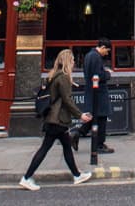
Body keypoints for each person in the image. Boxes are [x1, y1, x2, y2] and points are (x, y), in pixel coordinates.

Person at [18, 49, 93, 191]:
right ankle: (26, 178)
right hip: (57, 119)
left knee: (66, 146)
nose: (74, 62)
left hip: (54, 119)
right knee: (45, 149)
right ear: (67, 62)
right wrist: (80, 115)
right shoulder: (63, 77)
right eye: (72, 60)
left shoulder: (54, 75)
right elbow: (67, 100)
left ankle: (77, 175)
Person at [82, 38, 113, 154]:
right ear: (103, 47)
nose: (107, 53)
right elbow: (97, 75)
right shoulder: (96, 57)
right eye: (107, 50)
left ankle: (76, 133)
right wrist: (108, 74)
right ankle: (99, 145)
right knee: (102, 118)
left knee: (95, 117)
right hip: (98, 93)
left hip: (93, 92)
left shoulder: (89, 55)